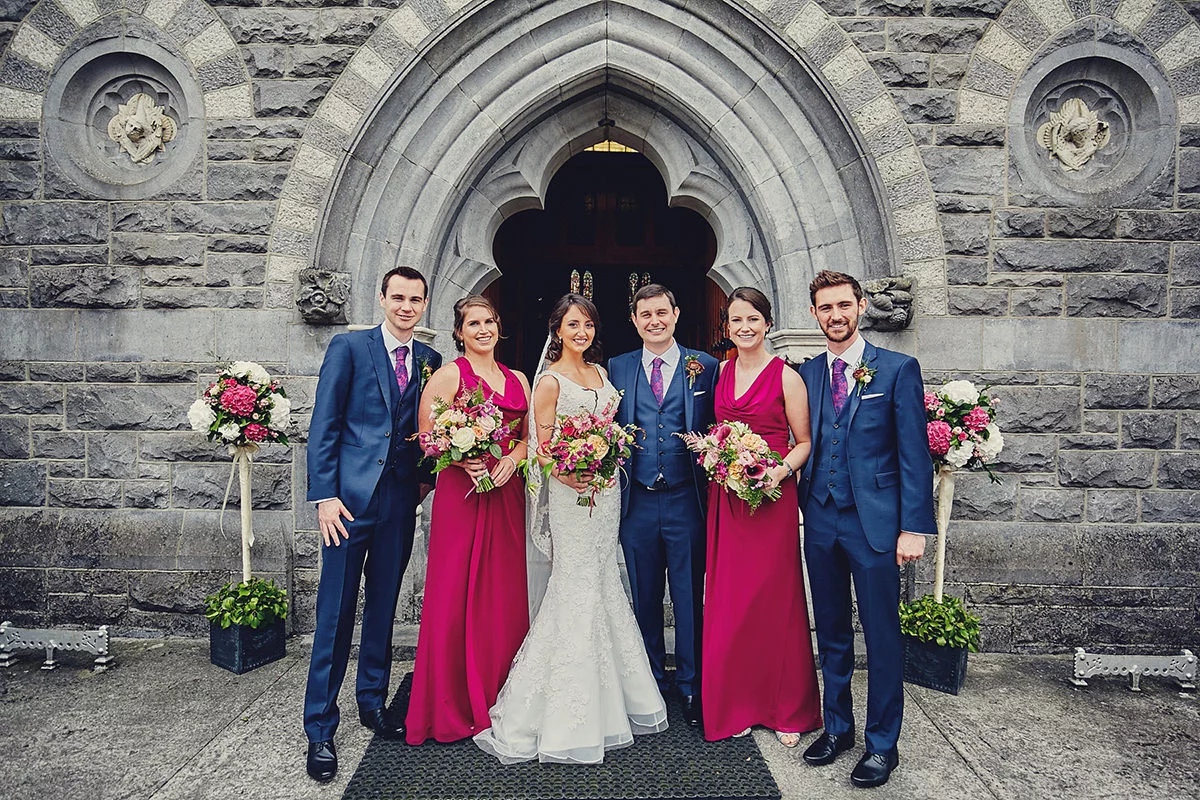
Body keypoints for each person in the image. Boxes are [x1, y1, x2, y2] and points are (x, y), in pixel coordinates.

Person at [474, 293, 668, 764]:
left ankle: (616, 700)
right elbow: (539, 446)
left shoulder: (602, 375)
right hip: (569, 492)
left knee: (603, 581)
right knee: (575, 585)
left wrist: (606, 455)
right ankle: (562, 711)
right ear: (557, 330)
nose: (582, 332)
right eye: (573, 325)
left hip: (605, 491)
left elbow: (612, 429)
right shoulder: (549, 381)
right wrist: (567, 471)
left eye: (588, 325)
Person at [302, 266, 442, 782]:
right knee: (335, 616)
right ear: (382, 298)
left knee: (382, 609)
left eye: (415, 299)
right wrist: (324, 496)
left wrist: (425, 483)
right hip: (347, 506)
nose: (406, 306)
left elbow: (429, 428)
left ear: (424, 305)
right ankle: (319, 728)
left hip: (399, 505)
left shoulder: (430, 360)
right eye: (398, 297)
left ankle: (373, 703)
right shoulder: (349, 348)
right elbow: (325, 424)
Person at [797, 270, 935, 789]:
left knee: (881, 637)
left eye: (843, 305)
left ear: (860, 306)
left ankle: (882, 744)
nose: (835, 315)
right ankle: (838, 729)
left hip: (875, 525)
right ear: (814, 314)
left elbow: (914, 454)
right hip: (821, 520)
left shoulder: (897, 370)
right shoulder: (806, 373)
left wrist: (913, 528)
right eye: (825, 308)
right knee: (831, 633)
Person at [405, 296, 532, 744]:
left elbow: (528, 438)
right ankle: (453, 700)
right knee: (456, 590)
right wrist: (462, 461)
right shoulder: (449, 375)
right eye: (473, 323)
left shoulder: (518, 378)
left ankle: (503, 692)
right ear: (459, 332)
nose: (482, 329)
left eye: (489, 321)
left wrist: (514, 459)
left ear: (499, 327)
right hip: (464, 496)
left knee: (503, 593)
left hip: (507, 494)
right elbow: (426, 437)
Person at [701, 287, 822, 746]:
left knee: (776, 601)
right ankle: (737, 705)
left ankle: (785, 708)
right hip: (728, 500)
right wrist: (717, 460)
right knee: (731, 602)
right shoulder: (720, 373)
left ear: (767, 323)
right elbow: (715, 431)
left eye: (752, 318)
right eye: (735, 320)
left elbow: (805, 442)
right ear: (726, 327)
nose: (744, 327)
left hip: (771, 500)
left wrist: (778, 472)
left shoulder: (787, 377)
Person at [607, 284, 717, 728]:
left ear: (675, 314)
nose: (654, 321)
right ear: (634, 321)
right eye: (644, 314)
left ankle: (691, 684)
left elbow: (719, 426)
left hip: (685, 500)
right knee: (644, 597)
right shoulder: (618, 366)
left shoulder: (704, 367)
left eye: (661, 313)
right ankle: (651, 679)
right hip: (636, 504)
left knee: (690, 597)